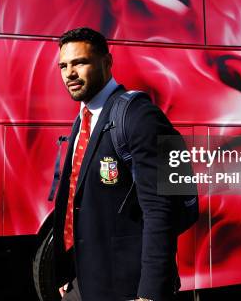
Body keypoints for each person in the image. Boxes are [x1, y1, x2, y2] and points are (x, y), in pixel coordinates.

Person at [53, 27, 182, 301]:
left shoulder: (140, 115)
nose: (69, 73)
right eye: (63, 65)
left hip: (127, 287)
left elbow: (161, 210)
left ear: (107, 62)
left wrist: (150, 293)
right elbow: (74, 201)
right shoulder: (84, 117)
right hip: (85, 281)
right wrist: (67, 272)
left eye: (80, 62)